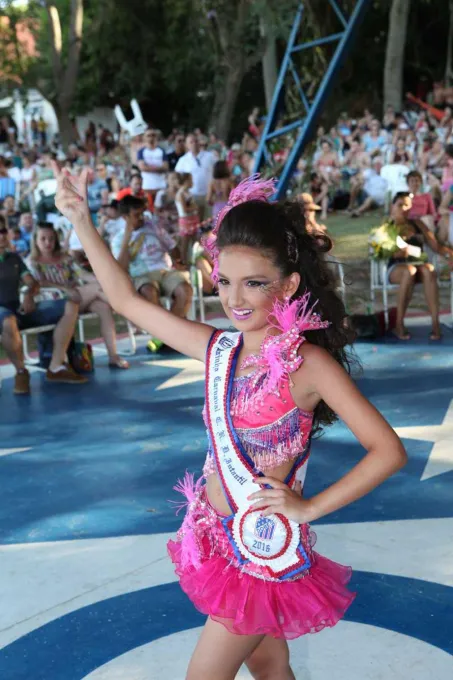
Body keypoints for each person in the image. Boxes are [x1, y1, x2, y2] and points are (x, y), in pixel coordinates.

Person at [53, 165, 408, 680]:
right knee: (268, 662)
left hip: (258, 548)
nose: (235, 300)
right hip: (215, 535)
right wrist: (81, 220)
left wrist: (309, 508)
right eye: (225, 282)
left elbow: (388, 450)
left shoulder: (308, 365)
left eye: (254, 284)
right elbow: (127, 300)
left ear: (288, 285)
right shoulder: (218, 347)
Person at [0, 215, 87, 394]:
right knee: (8, 319)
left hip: (20, 309)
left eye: (2, 231)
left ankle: (56, 367)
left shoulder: (13, 258)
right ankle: (21, 372)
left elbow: (32, 282)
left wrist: (28, 294)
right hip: (4, 315)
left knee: (70, 304)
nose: (1, 236)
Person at [27, 223, 128, 369]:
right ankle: (128, 309)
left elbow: (83, 274)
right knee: (96, 289)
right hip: (55, 302)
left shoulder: (64, 258)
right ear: (35, 241)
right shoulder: (32, 262)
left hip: (78, 298)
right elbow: (41, 283)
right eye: (43, 239)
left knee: (103, 306)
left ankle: (113, 356)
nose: (48, 242)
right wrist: (65, 289)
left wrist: (104, 279)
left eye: (51, 238)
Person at [387, 192, 453, 340]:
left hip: (419, 265)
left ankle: (436, 323)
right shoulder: (387, 226)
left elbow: (436, 246)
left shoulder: (418, 223)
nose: (404, 208)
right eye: (400, 205)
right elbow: (387, 252)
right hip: (397, 267)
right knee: (409, 271)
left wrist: (450, 254)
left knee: (429, 269)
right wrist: (403, 250)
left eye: (407, 205)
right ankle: (399, 324)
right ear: (393, 206)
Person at [175, 134, 216, 221]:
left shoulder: (210, 156)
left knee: (209, 221)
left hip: (208, 194)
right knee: (196, 222)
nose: (194, 144)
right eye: (191, 142)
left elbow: (217, 174)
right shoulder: (182, 160)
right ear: (186, 145)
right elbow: (177, 178)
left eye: (196, 141)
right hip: (192, 196)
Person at [137, 129, 169, 209]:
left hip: (161, 185)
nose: (151, 137)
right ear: (144, 138)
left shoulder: (161, 151)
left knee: (161, 210)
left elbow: (166, 167)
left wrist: (149, 167)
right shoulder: (141, 151)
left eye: (153, 135)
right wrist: (158, 168)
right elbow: (142, 167)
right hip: (147, 186)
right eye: (148, 135)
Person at [175, 173, 200, 265]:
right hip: (186, 221)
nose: (192, 182)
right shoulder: (180, 194)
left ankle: (196, 261)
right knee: (185, 243)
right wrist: (195, 208)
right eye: (190, 180)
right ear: (185, 181)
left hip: (193, 219)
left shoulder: (188, 192)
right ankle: (183, 262)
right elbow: (184, 209)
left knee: (195, 242)